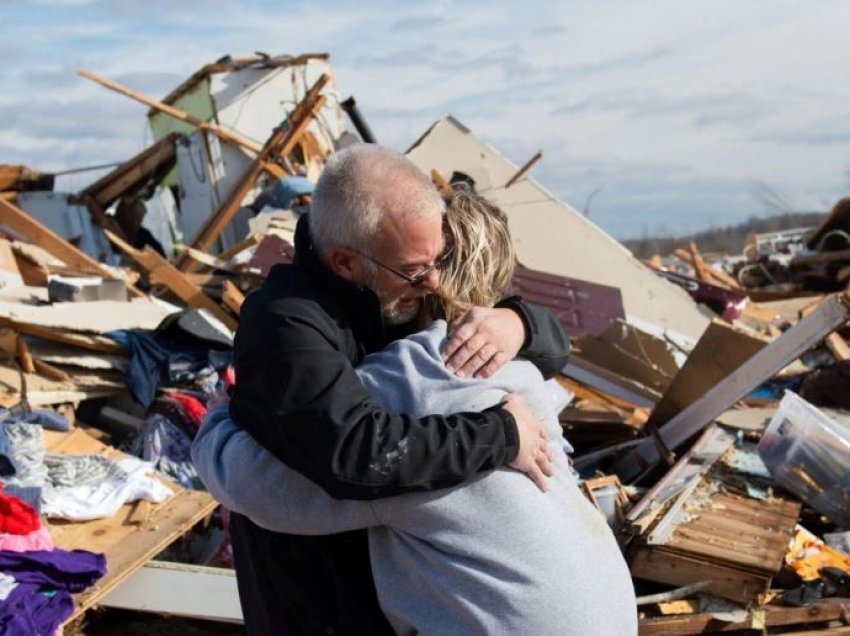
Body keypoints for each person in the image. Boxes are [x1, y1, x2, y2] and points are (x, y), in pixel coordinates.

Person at [193, 190, 637, 634]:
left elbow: (259, 487)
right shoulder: (519, 369)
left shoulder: (414, 380)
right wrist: (521, 321)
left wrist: (220, 420)